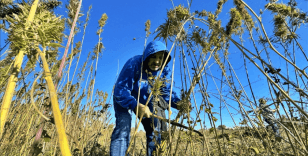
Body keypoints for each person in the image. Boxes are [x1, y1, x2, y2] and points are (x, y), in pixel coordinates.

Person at [110, 41, 183, 156]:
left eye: (160, 58)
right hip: (124, 98)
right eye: (153, 57)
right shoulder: (134, 63)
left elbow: (165, 93)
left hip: (147, 102)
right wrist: (134, 105)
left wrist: (179, 103)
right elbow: (121, 89)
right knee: (123, 128)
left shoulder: (164, 70)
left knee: (155, 131)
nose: (157, 61)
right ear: (147, 56)